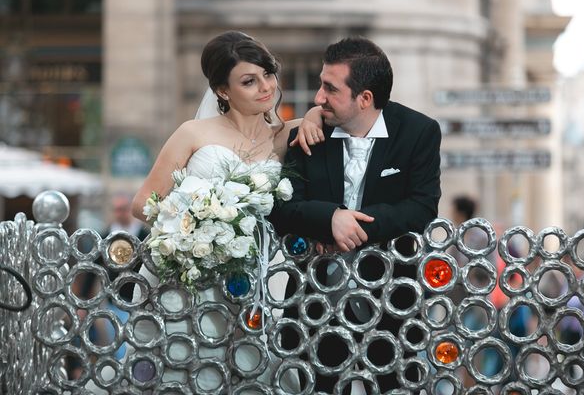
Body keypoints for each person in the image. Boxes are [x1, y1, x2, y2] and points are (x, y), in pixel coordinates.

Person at [126, 30, 324, 389]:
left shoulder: (285, 135)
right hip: (190, 271)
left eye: (268, 74)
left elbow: (329, 114)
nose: (265, 87)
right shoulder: (192, 133)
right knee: (183, 362)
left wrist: (311, 113)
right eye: (249, 81)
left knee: (252, 368)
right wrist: (196, 223)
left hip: (258, 277)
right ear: (222, 90)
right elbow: (142, 203)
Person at [270, 36, 442, 393]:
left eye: (330, 89)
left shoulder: (419, 132)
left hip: (391, 300)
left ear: (365, 98)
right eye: (320, 84)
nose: (318, 98)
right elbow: (281, 206)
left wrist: (355, 224)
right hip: (312, 301)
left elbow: (423, 206)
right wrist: (331, 218)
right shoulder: (308, 134)